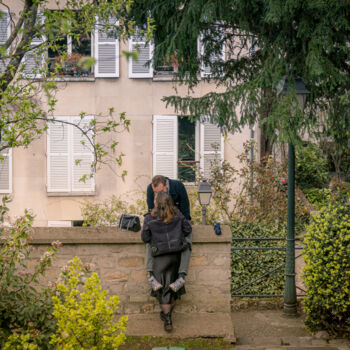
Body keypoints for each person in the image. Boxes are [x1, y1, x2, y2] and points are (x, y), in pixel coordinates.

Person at [141, 191, 192, 331]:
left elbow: (145, 238)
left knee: (163, 289)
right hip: (175, 256)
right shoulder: (177, 214)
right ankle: (166, 314)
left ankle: (168, 319)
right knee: (171, 287)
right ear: (170, 202)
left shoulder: (149, 218)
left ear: (156, 203)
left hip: (159, 257)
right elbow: (188, 229)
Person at [146, 175, 192, 293]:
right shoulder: (150, 190)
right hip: (160, 223)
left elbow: (185, 212)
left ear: (166, 185)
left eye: (160, 192)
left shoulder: (178, 187)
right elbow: (152, 211)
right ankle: (151, 275)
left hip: (177, 221)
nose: (157, 195)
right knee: (148, 239)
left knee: (188, 239)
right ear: (152, 187)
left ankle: (181, 276)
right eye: (155, 192)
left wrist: (178, 224)